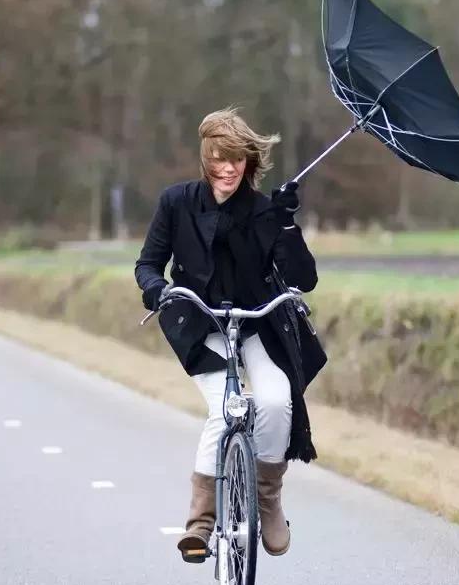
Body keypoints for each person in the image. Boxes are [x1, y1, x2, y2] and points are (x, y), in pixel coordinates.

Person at [134, 107, 327, 562]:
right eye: (219, 158)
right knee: (226, 410)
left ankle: (268, 500)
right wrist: (158, 289)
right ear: (205, 159)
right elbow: (147, 264)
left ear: (248, 162)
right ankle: (200, 523)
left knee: (277, 403)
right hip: (202, 324)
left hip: (258, 321)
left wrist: (285, 223)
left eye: (237, 160)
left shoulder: (265, 211)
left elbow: (305, 277)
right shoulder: (176, 202)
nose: (228, 168)